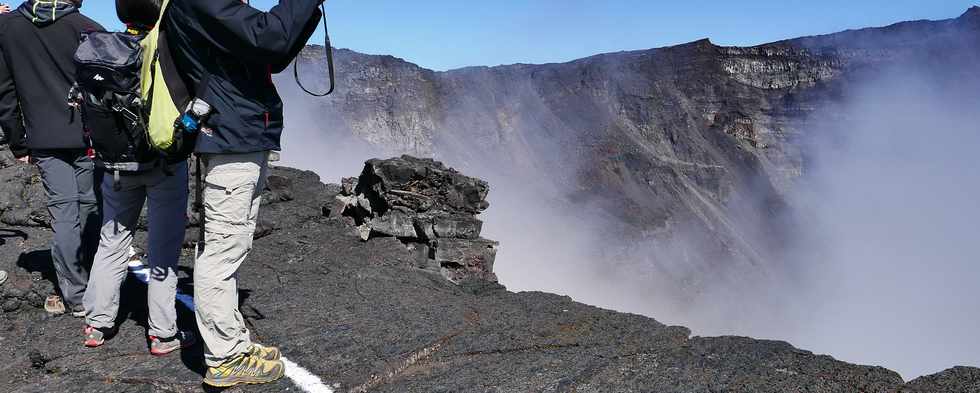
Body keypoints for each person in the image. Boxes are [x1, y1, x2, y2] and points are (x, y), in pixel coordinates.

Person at [163, 0, 321, 386]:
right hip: (232, 137)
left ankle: (233, 341)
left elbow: (274, 53)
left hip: (239, 134)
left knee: (231, 245)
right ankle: (226, 358)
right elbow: (269, 37)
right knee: (222, 250)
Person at [80, 0, 196, 356]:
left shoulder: (102, 49)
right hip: (163, 166)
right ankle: (162, 334)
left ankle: (97, 323)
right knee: (162, 251)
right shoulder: (168, 49)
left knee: (111, 242)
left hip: (115, 165)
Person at [0, 0, 103, 317]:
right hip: (88, 134)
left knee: (63, 212)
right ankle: (96, 281)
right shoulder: (87, 27)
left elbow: (4, 92)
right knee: (90, 205)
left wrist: (19, 143)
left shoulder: (8, 27)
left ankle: (74, 293)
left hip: (43, 136)